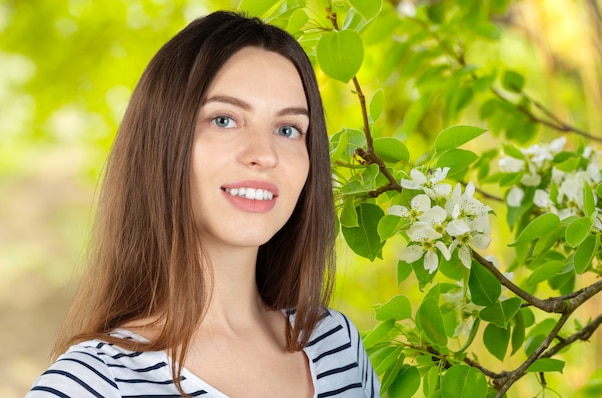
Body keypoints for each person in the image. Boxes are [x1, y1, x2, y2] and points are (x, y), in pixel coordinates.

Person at [26, 10, 380, 398]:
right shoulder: (92, 384)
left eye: (288, 129)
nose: (265, 154)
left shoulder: (337, 344)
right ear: (163, 141)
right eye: (224, 120)